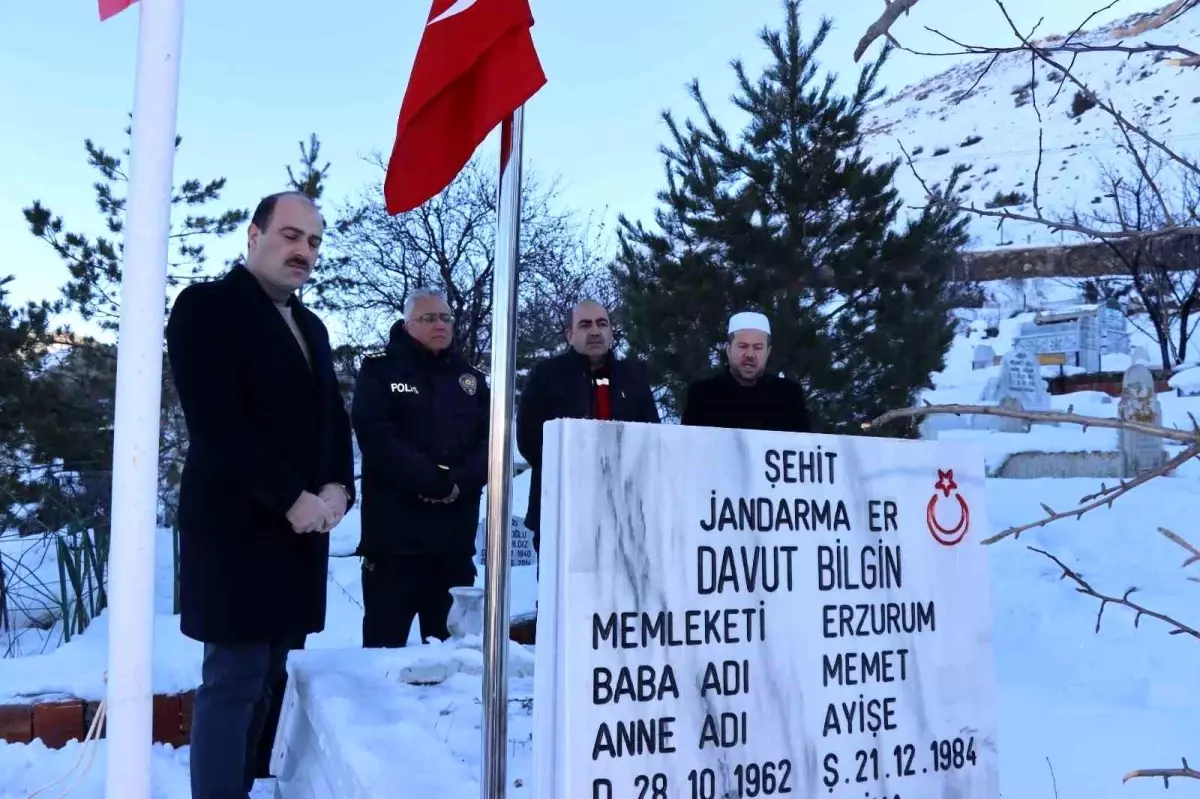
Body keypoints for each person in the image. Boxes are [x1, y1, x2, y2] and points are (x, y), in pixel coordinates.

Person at [166, 191, 355, 799]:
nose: (304, 251)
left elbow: (334, 415)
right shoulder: (207, 307)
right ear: (254, 236)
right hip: (237, 531)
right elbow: (218, 423)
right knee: (234, 679)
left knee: (271, 674)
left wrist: (337, 485)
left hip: (299, 537)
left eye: (315, 242)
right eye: (292, 236)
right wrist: (289, 497)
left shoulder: (311, 325)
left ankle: (249, 787)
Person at [351, 288, 490, 647]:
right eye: (429, 318)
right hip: (395, 543)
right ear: (408, 323)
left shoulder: (471, 379)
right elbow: (378, 437)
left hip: (453, 545)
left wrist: (458, 482)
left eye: (445, 318)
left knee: (455, 656)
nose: (440, 325)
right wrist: (435, 482)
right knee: (383, 651)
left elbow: (491, 445)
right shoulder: (380, 369)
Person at [516, 299, 660, 554]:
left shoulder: (633, 376)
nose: (595, 331)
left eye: (602, 324)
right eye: (585, 325)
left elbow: (652, 437)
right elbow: (529, 440)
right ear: (570, 335)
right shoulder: (546, 376)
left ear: (611, 332)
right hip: (561, 506)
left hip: (623, 509)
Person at [681, 310, 811, 432]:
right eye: (743, 346)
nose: (750, 354)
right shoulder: (702, 395)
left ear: (768, 352)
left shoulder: (788, 396)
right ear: (728, 349)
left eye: (757, 347)